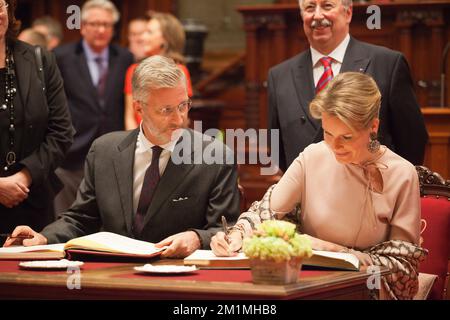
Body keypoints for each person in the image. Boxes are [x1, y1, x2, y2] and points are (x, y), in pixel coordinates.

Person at [211, 72, 427, 299]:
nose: (334, 146)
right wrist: (236, 236)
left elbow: (403, 273)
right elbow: (264, 215)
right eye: (327, 133)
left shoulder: (402, 174)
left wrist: (331, 250)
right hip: (304, 288)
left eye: (346, 137)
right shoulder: (313, 156)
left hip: (361, 292)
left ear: (373, 126)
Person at [5, 55, 240, 258]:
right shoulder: (104, 150)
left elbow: (225, 229)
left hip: (180, 276)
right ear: (139, 109)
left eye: (183, 105)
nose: (179, 119)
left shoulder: (216, 156)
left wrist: (196, 238)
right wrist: (43, 238)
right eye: (166, 110)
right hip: (112, 274)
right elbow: (80, 218)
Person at [268, 0, 428, 172]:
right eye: (309, 7)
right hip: (306, 194)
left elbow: (412, 140)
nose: (318, 15)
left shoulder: (387, 64)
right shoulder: (279, 76)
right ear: (302, 16)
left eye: (327, 6)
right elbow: (277, 147)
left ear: (348, 12)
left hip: (372, 193)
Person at [0, 0, 73, 243]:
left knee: (32, 279)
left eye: (0, 5)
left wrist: (24, 176)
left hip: (31, 202)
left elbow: (61, 132)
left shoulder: (39, 60)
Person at [53, 0, 133, 216]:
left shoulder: (125, 57)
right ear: (83, 26)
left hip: (112, 148)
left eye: (107, 25)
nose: (101, 30)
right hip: (72, 149)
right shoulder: (62, 56)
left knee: (107, 215)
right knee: (67, 215)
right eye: (95, 24)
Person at [124, 11, 193, 130]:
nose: (143, 37)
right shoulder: (133, 70)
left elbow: (182, 117)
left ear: (165, 39)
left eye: (149, 32)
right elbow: (129, 116)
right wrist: (135, 146)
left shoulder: (180, 71)